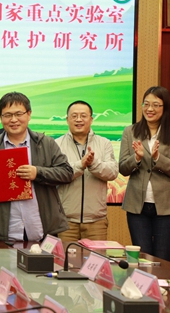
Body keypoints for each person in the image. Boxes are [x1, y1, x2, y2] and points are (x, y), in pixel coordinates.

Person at [0, 92, 73, 242]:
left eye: (18, 114)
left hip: (41, 228)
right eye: (7, 115)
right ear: (1, 118)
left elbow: (67, 173)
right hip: (4, 231)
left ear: (29, 114)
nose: (13, 120)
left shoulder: (45, 143)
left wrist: (37, 172)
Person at [119, 86, 170, 261]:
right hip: (137, 207)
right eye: (146, 104)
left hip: (167, 207)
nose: (150, 109)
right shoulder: (130, 132)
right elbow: (123, 168)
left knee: (163, 260)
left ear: (165, 108)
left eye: (156, 105)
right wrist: (137, 158)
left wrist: (158, 158)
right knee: (142, 259)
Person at [55, 100, 118, 243]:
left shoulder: (104, 143)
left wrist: (93, 164)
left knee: (96, 258)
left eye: (83, 116)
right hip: (65, 221)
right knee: (66, 258)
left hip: (96, 222)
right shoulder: (56, 144)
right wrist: (80, 165)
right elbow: (55, 174)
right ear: (67, 120)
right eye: (74, 116)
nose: (79, 119)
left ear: (91, 119)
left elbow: (113, 172)